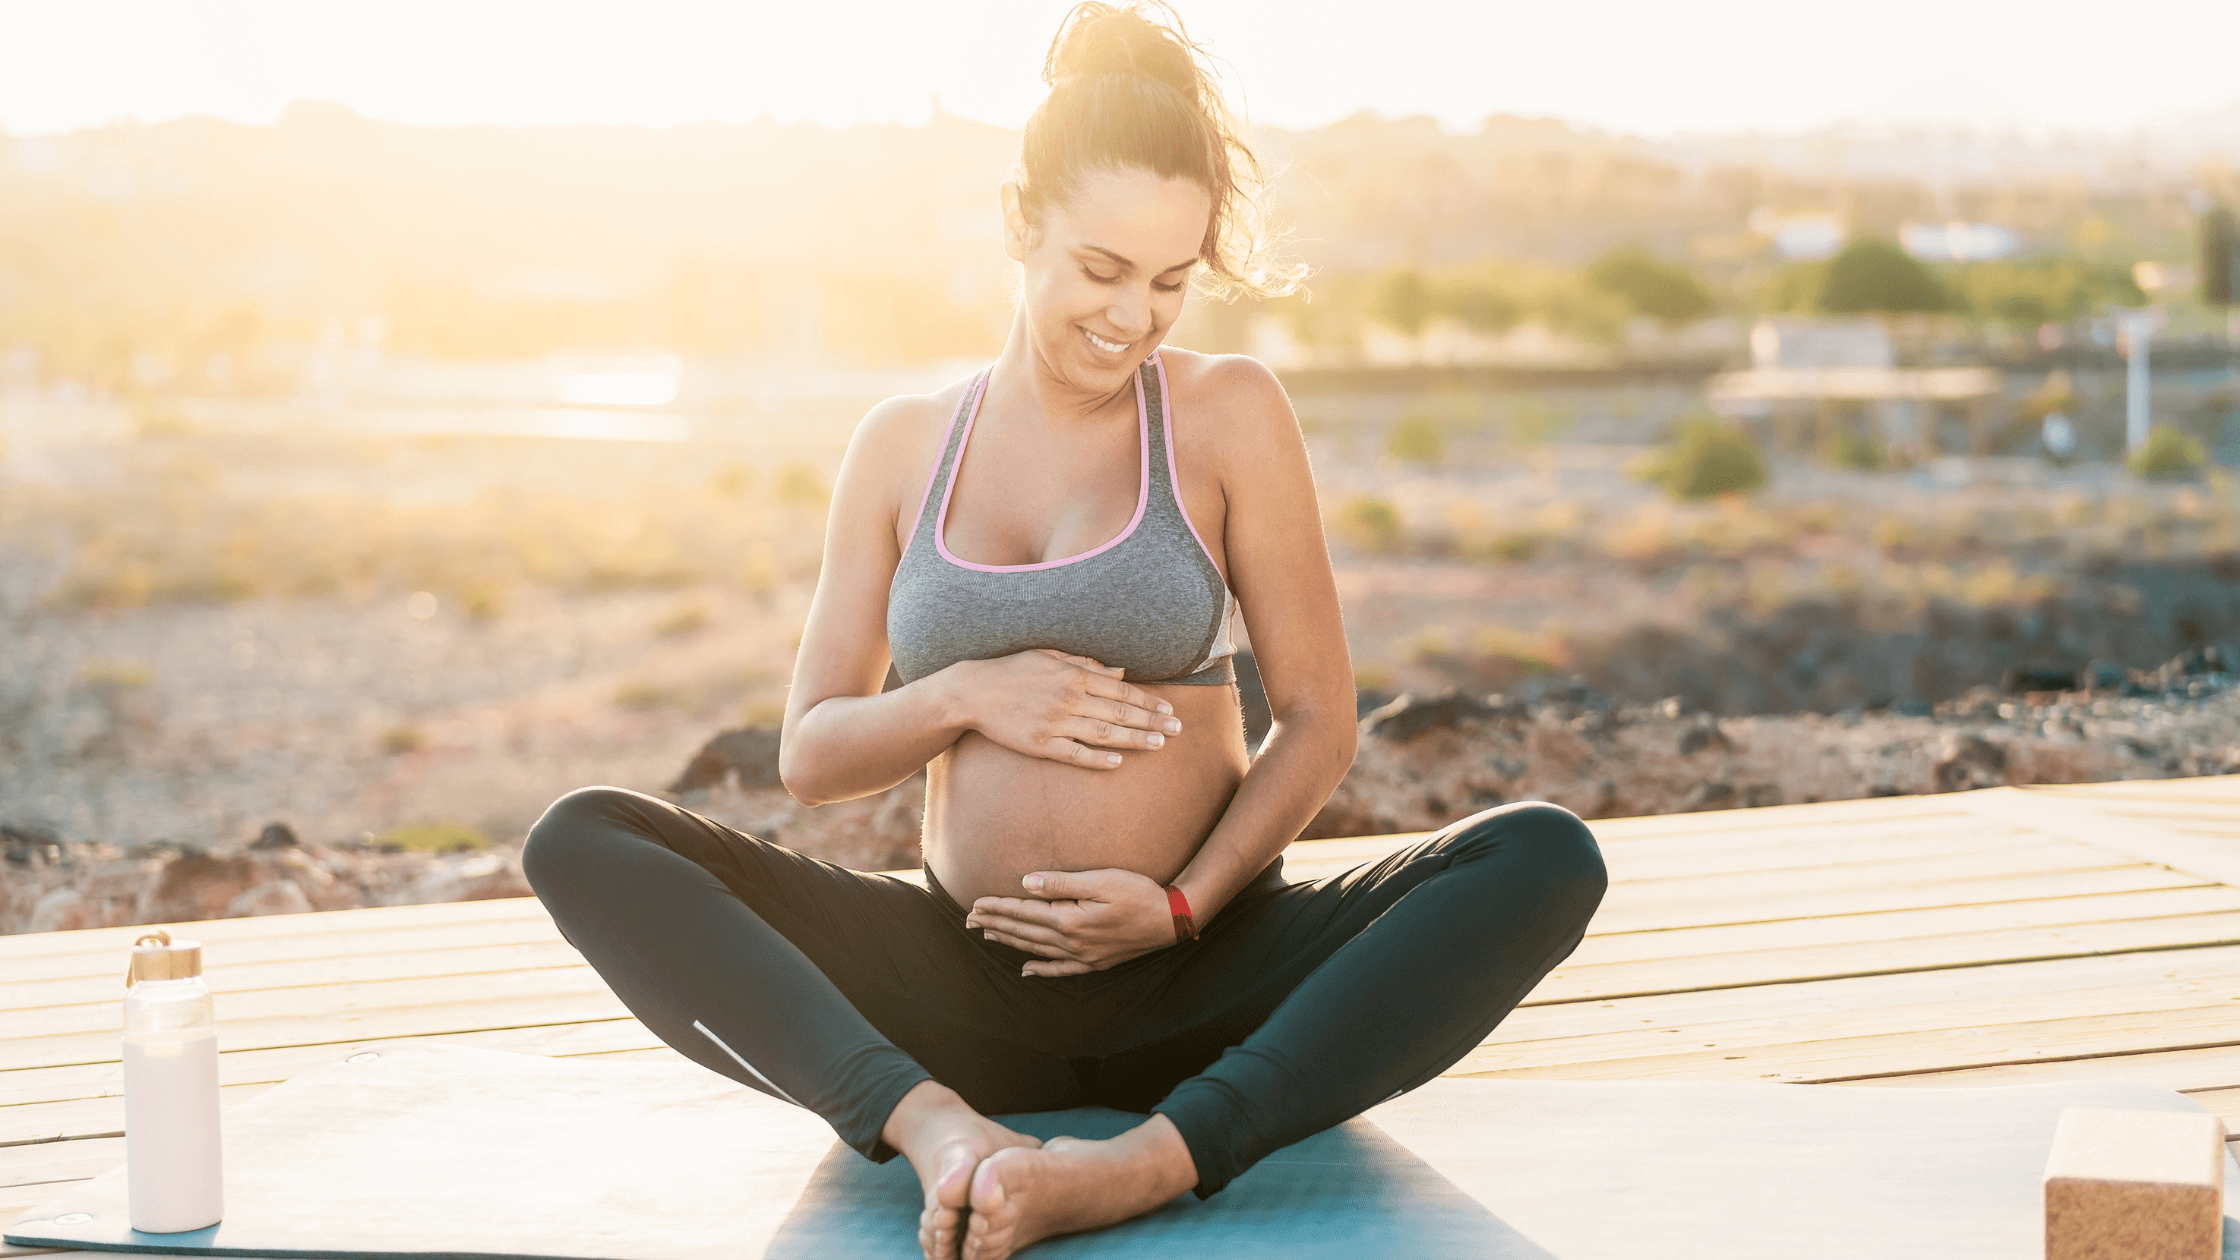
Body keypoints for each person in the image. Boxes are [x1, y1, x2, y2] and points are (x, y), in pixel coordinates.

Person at [519, 5, 1608, 1258]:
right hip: (955, 988)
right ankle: (938, 1132)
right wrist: (962, 695)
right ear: (1015, 225)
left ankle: (1150, 1161)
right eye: (1099, 269)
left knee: (1541, 858)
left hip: (1206, 977)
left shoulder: (1225, 414)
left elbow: (1316, 720)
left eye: (1167, 280)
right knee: (581, 838)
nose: (1132, 315)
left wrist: (1184, 907)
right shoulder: (897, 446)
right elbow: (812, 756)